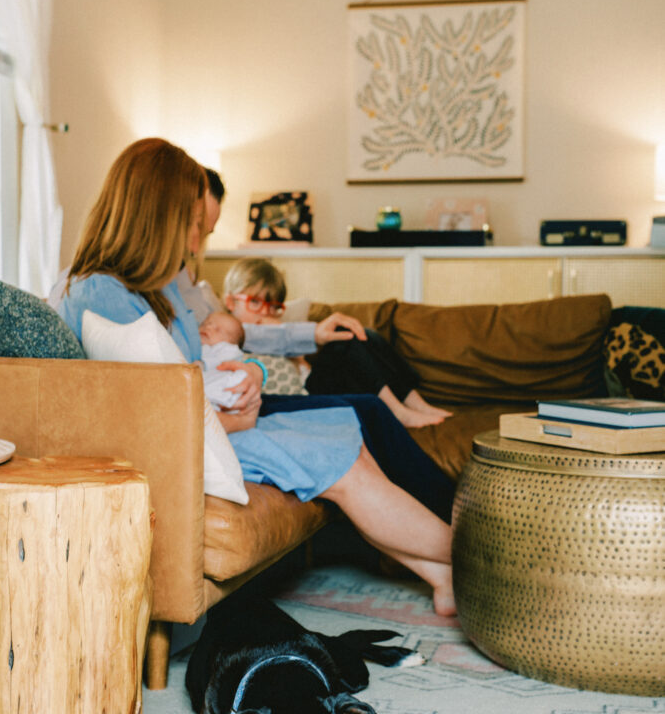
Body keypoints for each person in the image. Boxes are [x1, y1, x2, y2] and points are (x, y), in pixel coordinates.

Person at [55, 138, 455, 616]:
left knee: (350, 437)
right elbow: (148, 417)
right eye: (192, 224)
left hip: (219, 420)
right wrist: (233, 424)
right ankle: (476, 560)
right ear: (158, 215)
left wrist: (251, 367)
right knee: (345, 465)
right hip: (205, 439)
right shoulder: (100, 294)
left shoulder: (160, 284)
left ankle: (443, 575)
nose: (195, 241)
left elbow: (210, 348)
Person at [221, 256, 454, 429]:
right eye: (254, 302)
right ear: (230, 301)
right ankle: (397, 412)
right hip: (303, 397)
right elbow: (248, 338)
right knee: (344, 340)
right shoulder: (227, 331)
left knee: (364, 334)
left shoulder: (279, 329)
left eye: (273, 307)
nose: (265, 313)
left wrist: (294, 351)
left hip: (313, 381)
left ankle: (416, 402)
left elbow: (302, 365)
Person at [199, 311, 251, 412]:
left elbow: (222, 361)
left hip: (224, 391)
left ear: (231, 342)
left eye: (217, 329)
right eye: (204, 324)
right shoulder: (199, 346)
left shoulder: (228, 349)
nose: (207, 327)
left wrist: (204, 364)